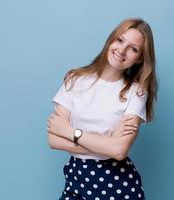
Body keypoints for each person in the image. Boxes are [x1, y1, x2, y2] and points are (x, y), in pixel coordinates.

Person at [47, 18, 157, 200]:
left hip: (118, 185)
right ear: (111, 40)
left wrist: (70, 132)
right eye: (120, 40)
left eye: (133, 49)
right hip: (77, 177)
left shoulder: (136, 92)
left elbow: (120, 151)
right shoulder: (75, 79)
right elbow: (53, 139)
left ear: (140, 58)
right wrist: (108, 143)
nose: (122, 51)